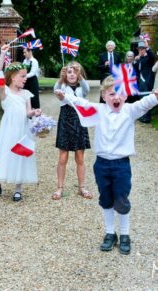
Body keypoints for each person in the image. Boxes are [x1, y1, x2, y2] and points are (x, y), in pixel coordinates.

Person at [55, 75, 158, 255]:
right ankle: (110, 233)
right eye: (111, 95)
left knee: (122, 199)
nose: (116, 98)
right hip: (102, 164)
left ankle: (125, 234)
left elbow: (145, 103)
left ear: (126, 96)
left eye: (119, 94)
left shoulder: (130, 110)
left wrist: (155, 96)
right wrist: (64, 96)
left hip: (121, 165)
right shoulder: (99, 110)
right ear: (103, 96)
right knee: (106, 199)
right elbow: (80, 103)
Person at [0, 44, 42, 202]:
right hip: (9, 129)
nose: (25, 79)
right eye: (22, 76)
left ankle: (18, 189)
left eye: (26, 76)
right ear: (13, 77)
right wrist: (2, 54)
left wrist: (33, 113)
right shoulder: (4, 91)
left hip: (22, 129)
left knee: (21, 156)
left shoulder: (26, 93)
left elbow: (27, 112)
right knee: (5, 153)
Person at [52, 61, 92, 200]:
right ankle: (59, 188)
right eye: (69, 72)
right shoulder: (62, 86)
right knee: (63, 157)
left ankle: (82, 187)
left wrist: (80, 76)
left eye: (75, 71)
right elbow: (55, 90)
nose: (72, 74)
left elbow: (87, 88)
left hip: (80, 121)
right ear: (65, 74)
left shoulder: (82, 88)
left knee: (80, 157)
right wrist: (60, 79)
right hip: (66, 120)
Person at [134, 40, 155, 123]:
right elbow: (136, 69)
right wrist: (135, 60)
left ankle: (147, 118)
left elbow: (152, 56)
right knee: (142, 99)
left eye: (142, 49)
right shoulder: (140, 58)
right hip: (141, 82)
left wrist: (148, 47)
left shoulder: (149, 58)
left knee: (147, 99)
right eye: (139, 49)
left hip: (147, 81)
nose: (140, 51)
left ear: (145, 49)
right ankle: (143, 116)